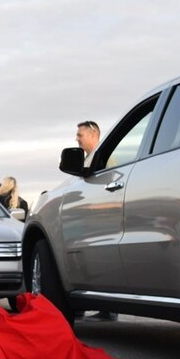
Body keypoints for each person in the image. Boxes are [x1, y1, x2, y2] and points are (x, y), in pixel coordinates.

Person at [73, 121, 117, 321]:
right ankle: (84, 305)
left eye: (80, 134)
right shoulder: (89, 159)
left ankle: (107, 309)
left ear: (92, 135)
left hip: (102, 218)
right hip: (89, 218)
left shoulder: (107, 159)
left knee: (102, 260)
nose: (77, 139)